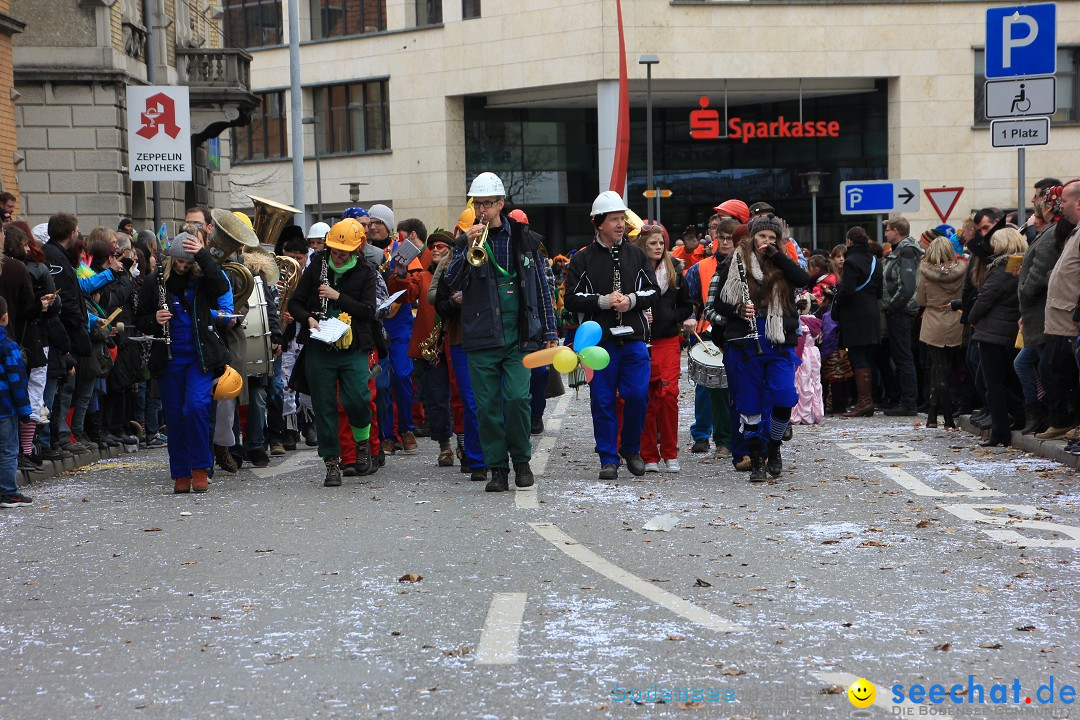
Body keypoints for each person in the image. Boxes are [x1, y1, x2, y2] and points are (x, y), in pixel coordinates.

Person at [444, 172, 558, 491]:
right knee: (487, 406)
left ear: (500, 204)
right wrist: (466, 250)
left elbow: (538, 287)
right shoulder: (464, 239)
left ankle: (521, 460)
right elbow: (451, 283)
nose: (481, 209)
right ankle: (497, 469)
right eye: (477, 203)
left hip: (518, 334)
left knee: (518, 399)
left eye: (487, 203)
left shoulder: (523, 237)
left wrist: (549, 330)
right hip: (481, 336)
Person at [565, 190, 658, 481]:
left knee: (638, 394)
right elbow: (570, 298)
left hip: (632, 339)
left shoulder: (636, 254)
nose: (620, 224)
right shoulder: (583, 259)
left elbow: (652, 291)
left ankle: (630, 448)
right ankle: (608, 458)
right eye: (615, 219)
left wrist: (631, 300)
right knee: (602, 401)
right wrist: (602, 301)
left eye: (622, 219)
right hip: (599, 342)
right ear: (599, 222)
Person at [712, 213, 809, 482]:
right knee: (749, 404)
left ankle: (774, 446)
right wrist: (737, 309)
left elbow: (803, 279)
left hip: (778, 340)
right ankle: (755, 460)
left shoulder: (783, 262)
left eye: (771, 237)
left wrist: (779, 256)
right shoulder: (735, 262)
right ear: (752, 237)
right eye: (762, 236)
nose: (766, 241)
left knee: (783, 396)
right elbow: (719, 303)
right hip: (746, 341)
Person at [135, 232, 231, 493]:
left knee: (197, 408)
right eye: (178, 261)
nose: (181, 266)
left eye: (187, 262)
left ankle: (200, 468)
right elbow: (140, 318)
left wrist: (202, 254)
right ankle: (180, 472)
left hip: (199, 358)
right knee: (175, 416)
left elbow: (222, 287)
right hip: (169, 358)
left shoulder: (201, 279)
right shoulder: (156, 281)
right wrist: (154, 318)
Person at [287, 219, 378, 486]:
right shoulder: (317, 267)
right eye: (334, 252)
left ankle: (363, 445)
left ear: (356, 250)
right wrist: (309, 319)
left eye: (343, 253)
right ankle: (331, 463)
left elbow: (369, 311)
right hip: (320, 347)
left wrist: (338, 296)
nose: (337, 258)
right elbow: (295, 304)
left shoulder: (366, 272)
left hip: (352, 347)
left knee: (359, 399)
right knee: (324, 407)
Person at [634, 223, 692, 472]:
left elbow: (687, 304)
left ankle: (670, 453)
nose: (657, 248)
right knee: (646, 399)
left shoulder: (675, 271)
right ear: (643, 246)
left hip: (668, 341)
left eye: (661, 243)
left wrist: (672, 316)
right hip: (642, 342)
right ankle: (648, 456)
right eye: (652, 244)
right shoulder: (633, 270)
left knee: (668, 396)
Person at [968, 227, 1028, 446]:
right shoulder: (1020, 265)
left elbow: (985, 298)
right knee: (1000, 380)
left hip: (992, 332)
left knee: (991, 382)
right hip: (1010, 329)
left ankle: (1000, 430)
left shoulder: (1001, 267)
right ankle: (1019, 414)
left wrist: (971, 318)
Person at [1016, 185, 1066, 435]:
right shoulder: (1046, 233)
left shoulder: (1051, 234)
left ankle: (1056, 418)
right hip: (1038, 314)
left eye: (1041, 200)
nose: (1037, 204)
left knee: (1048, 367)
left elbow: (1040, 269)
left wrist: (1024, 289)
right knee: (1041, 365)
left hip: (1045, 313)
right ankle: (1047, 417)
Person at [1036, 181, 1080, 440]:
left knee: (1057, 369)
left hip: (1070, 317)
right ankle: (1064, 422)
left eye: (1063, 201)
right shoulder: (1074, 232)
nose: (1059, 206)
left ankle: (1067, 421)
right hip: (1059, 315)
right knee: (1052, 368)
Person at [914, 236, 967, 429]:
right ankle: (933, 415)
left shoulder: (926, 275)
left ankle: (945, 417)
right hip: (956, 321)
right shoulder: (963, 271)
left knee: (938, 370)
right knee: (946, 369)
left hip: (934, 322)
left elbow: (920, 299)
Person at [831, 226, 883, 418]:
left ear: (849, 242)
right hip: (872, 312)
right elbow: (879, 292)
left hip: (856, 315)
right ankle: (868, 400)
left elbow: (847, 291)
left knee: (858, 357)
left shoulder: (851, 262)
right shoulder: (875, 261)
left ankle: (864, 402)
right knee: (868, 357)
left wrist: (837, 299)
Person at [880, 217, 922, 415]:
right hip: (900, 309)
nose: (886, 233)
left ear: (896, 231)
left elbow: (907, 286)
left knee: (903, 357)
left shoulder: (905, 251)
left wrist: (892, 306)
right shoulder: (903, 250)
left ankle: (908, 402)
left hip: (901, 311)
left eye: (887, 230)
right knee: (901, 356)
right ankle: (905, 400)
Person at [0, 297, 33, 507]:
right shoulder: (8, 346)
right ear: (4, 318)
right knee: (7, 450)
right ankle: (7, 492)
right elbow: (17, 380)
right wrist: (24, 411)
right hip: (4, 407)